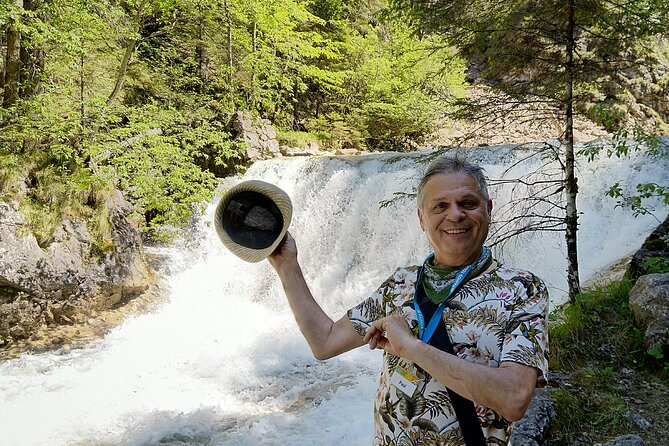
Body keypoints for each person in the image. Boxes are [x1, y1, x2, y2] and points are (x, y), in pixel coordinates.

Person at [268, 155, 549, 445]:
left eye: (468, 203)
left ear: (488, 210)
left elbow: (514, 398)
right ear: (421, 219)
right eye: (440, 206)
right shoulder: (402, 283)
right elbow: (324, 342)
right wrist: (287, 265)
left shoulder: (522, 289)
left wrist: (412, 347)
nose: (455, 215)